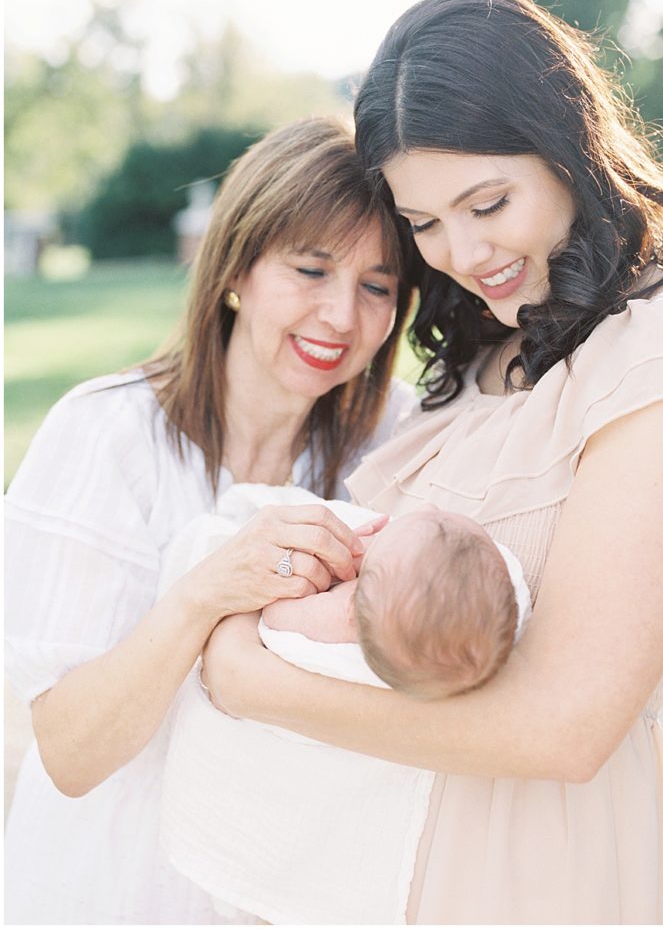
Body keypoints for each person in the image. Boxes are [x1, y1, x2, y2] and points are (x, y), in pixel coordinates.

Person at [201, 0, 663, 925]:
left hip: (527, 870)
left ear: (567, 149)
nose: (460, 252)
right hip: (363, 862)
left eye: (486, 202)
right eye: (422, 224)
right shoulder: (479, 351)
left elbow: (566, 729)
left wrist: (250, 680)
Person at [4, 117, 418, 925]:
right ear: (234, 268)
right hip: (111, 890)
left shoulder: (394, 444)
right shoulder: (107, 434)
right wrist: (202, 596)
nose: (340, 316)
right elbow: (72, 752)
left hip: (289, 891)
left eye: (377, 286)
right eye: (310, 269)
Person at [158, 483, 531, 923]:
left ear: (353, 611)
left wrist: (324, 578)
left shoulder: (345, 620)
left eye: (386, 536)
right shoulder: (442, 624)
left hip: (285, 787)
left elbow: (277, 619)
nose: (426, 507)